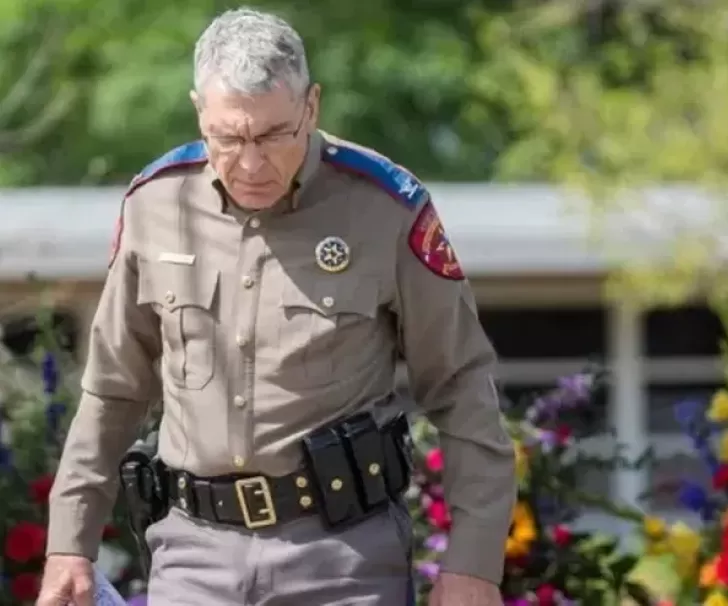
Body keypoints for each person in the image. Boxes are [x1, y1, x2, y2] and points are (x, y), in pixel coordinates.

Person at [38, 8, 515, 606]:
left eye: (272, 135)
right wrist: (69, 544)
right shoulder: (154, 206)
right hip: (193, 559)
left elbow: (461, 384)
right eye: (229, 138)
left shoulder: (385, 209)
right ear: (199, 113)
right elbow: (113, 390)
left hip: (343, 561)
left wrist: (474, 563)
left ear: (311, 107)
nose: (251, 163)